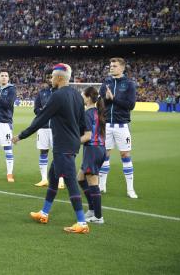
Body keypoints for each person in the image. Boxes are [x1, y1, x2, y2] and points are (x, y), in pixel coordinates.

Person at [12, 64, 90, 234]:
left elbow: (40, 119)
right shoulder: (77, 96)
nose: (51, 79)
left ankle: (82, 223)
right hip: (70, 143)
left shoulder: (57, 96)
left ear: (60, 78)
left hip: (63, 146)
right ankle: (44, 213)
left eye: (53, 76)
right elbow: (83, 124)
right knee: (53, 177)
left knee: (70, 181)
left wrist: (21, 136)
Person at [98, 57, 138, 198]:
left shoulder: (129, 84)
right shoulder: (106, 83)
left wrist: (114, 98)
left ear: (122, 68)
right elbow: (100, 103)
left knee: (125, 155)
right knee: (105, 155)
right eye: (110, 65)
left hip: (122, 126)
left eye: (114, 65)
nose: (111, 67)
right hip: (106, 125)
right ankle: (101, 186)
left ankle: (130, 189)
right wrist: (106, 99)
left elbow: (131, 105)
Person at [33, 69, 65, 189]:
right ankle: (44, 179)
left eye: (51, 76)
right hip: (43, 127)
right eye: (47, 76)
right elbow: (36, 109)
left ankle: (61, 180)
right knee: (43, 151)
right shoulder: (42, 93)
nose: (49, 78)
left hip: (57, 128)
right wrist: (43, 112)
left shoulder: (61, 92)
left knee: (58, 153)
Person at [79, 87, 106, 224]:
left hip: (92, 149)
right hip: (99, 148)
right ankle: (91, 209)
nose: (81, 97)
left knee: (93, 183)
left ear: (88, 97)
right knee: (80, 178)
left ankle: (98, 216)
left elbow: (88, 136)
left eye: (82, 95)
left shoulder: (88, 113)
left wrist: (73, 142)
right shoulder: (97, 111)